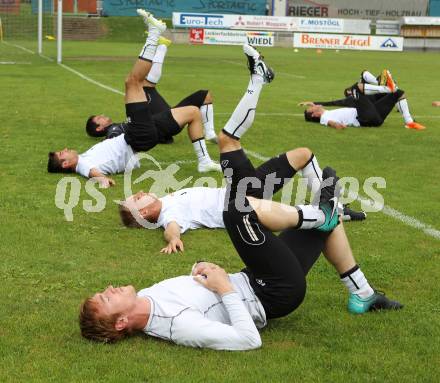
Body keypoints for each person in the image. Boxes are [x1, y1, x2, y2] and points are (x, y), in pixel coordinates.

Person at [78, 45, 403, 350]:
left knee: (291, 202)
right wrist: (223, 288)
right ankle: (322, 211)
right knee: (235, 206)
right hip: (273, 291)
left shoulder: (147, 297)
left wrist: (200, 269)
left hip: (256, 274)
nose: (108, 289)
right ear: (121, 323)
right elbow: (248, 340)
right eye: (106, 298)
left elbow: (195, 293)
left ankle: (361, 291)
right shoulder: (173, 324)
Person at [119, 49, 366, 253]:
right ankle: (258, 79)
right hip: (240, 203)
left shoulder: (166, 200)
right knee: (227, 139)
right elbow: (171, 228)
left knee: (304, 154)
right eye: (138, 198)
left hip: (244, 191)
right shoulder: (166, 213)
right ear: (145, 212)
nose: (140, 192)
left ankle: (335, 209)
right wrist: (173, 239)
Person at [47, 11, 221, 187]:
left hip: (141, 137)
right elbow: (92, 173)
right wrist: (102, 180)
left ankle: (204, 161)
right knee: (132, 82)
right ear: (66, 164)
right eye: (63, 154)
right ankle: (154, 33)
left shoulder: (84, 157)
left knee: (192, 112)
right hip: (137, 135)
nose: (66, 150)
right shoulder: (82, 165)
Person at [85, 40, 218, 143]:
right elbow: (116, 142)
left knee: (204, 95)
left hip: (164, 120)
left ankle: (210, 132)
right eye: (99, 118)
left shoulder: (117, 127)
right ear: (98, 128)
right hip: (164, 123)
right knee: (145, 86)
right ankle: (161, 45)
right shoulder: (113, 132)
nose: (102, 115)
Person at [301, 70, 426, 130]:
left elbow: (334, 103)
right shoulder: (324, 118)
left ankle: (409, 122)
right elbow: (332, 124)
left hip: (375, 120)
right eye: (312, 108)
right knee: (356, 88)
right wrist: (338, 125)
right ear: (314, 114)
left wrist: (315, 102)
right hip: (364, 118)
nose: (314, 107)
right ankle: (386, 88)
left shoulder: (327, 113)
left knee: (399, 93)